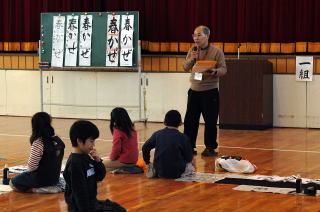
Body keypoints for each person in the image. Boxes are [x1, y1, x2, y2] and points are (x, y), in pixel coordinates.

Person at [183, 25, 227, 157]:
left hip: (210, 91)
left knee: (210, 121)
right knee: (190, 120)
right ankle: (189, 147)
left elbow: (224, 69)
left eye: (199, 35)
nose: (196, 38)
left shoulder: (217, 51)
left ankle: (210, 148)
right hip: (194, 90)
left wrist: (215, 71)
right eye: (194, 35)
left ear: (207, 36)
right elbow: (185, 67)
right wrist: (192, 58)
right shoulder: (192, 50)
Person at [64, 120, 126, 212]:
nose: (93, 145)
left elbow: (99, 176)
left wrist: (97, 161)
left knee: (118, 209)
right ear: (79, 141)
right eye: (91, 141)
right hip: (81, 208)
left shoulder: (85, 157)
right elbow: (80, 195)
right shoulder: (75, 164)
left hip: (92, 203)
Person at [10, 112, 65, 192]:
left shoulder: (38, 142)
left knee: (13, 183)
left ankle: (40, 190)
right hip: (55, 177)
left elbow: (32, 167)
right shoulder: (58, 139)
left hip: (41, 178)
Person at [142, 110, 193, 179]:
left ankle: (153, 169)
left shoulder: (157, 134)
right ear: (180, 123)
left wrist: (147, 162)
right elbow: (189, 158)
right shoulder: (183, 137)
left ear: (164, 122)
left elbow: (145, 147)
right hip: (177, 173)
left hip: (159, 171)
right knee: (190, 164)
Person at [103, 107, 139, 172]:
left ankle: (123, 169)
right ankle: (122, 169)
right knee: (106, 164)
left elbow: (116, 149)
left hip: (125, 161)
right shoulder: (132, 128)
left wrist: (111, 159)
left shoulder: (118, 130)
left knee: (100, 164)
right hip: (134, 160)